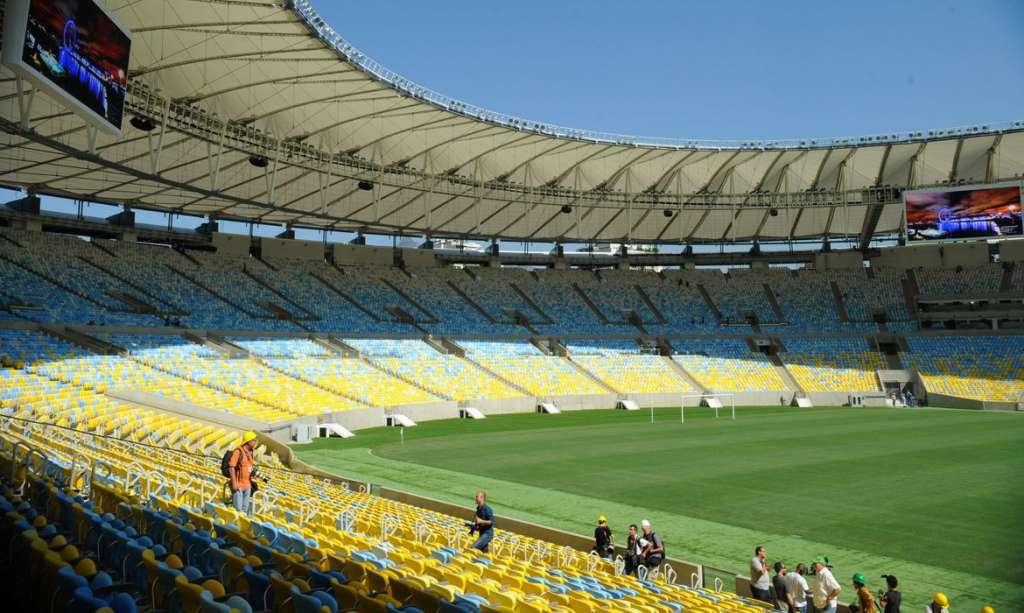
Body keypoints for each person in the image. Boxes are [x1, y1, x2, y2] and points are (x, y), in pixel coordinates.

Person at [227, 431, 258, 516]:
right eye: (254, 440)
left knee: (244, 511)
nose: (255, 442)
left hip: (248, 486)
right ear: (248, 441)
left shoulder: (251, 452)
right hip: (238, 486)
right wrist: (234, 483)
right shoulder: (238, 451)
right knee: (237, 511)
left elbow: (249, 467)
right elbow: (231, 467)